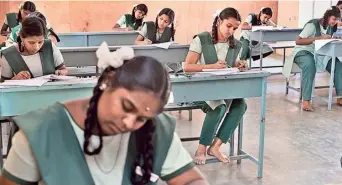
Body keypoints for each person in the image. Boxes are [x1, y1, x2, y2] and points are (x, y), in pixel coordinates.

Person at [0, 42, 209, 185]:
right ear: (108, 81)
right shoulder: (41, 132)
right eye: (126, 106)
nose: (129, 122)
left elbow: (191, 179)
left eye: (142, 118)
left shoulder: (156, 129)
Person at [183, 7, 248, 165]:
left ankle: (215, 147)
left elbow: (231, 66)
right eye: (228, 26)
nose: (231, 31)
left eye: (235, 28)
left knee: (241, 105)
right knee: (218, 106)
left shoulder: (235, 45)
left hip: (224, 88)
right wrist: (211, 66)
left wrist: (240, 64)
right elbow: (187, 67)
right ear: (219, 21)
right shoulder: (202, 39)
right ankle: (201, 147)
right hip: (201, 88)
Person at [282, 6, 342, 111]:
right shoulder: (312, 25)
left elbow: (325, 40)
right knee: (310, 65)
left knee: (338, 65)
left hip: (319, 53)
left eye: (337, 20)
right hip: (303, 51)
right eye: (334, 19)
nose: (335, 22)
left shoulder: (331, 27)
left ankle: (340, 96)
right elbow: (298, 41)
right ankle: (306, 101)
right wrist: (319, 38)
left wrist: (333, 39)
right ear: (327, 16)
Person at [1, 16, 67, 81]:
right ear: (21, 37)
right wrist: (15, 79)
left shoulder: (50, 46)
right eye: (31, 42)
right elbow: (3, 84)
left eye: (40, 42)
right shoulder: (9, 54)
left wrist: (61, 72)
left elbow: (63, 69)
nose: (36, 47)